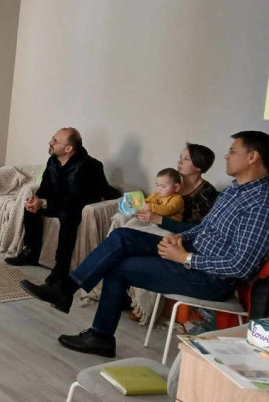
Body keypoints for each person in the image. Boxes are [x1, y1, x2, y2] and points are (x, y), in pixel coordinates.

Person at [20, 131, 269, 357]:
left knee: (119, 268)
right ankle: (67, 289)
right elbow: (204, 228)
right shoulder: (234, 191)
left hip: (208, 277)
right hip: (191, 251)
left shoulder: (260, 204)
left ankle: (100, 335)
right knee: (122, 236)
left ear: (253, 157)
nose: (227, 155)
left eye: (233, 151)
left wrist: (184, 258)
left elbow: (240, 266)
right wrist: (181, 238)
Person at [5, 127, 118, 283]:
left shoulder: (90, 166)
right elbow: (45, 188)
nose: (50, 142)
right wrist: (37, 199)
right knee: (31, 209)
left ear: (68, 148)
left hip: (80, 205)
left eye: (55, 141)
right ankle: (31, 253)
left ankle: (61, 267)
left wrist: (45, 203)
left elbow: (77, 199)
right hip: (59, 203)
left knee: (68, 215)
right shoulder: (52, 161)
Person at [135, 143, 218, 233]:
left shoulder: (207, 192)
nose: (179, 161)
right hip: (155, 225)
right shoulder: (171, 183)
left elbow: (198, 229)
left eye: (186, 159)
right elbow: (155, 199)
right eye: (180, 157)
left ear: (199, 167)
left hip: (177, 235)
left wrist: (157, 219)